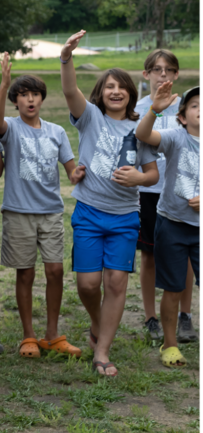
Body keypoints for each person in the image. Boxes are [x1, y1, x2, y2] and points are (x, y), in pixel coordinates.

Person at [59, 31, 159, 378]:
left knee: (116, 282)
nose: (115, 91)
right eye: (109, 86)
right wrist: (66, 58)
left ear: (131, 93)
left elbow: (153, 174)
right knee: (88, 284)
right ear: (100, 93)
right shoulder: (89, 117)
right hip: (89, 212)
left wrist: (139, 179)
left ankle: (102, 351)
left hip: (124, 217)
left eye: (122, 87)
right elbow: (69, 90)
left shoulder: (141, 128)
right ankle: (98, 322)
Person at [0, 54, 81, 359]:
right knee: (26, 274)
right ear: (15, 101)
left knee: (55, 270)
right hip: (18, 212)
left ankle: (53, 335)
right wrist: (4, 85)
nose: (30, 100)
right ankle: (28, 335)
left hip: (51, 212)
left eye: (35, 94)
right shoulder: (11, 128)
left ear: (42, 98)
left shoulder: (57, 132)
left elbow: (70, 169)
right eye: (23, 95)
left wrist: (78, 174)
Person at [135, 83, 201, 369]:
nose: (201, 109)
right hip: (172, 224)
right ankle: (170, 344)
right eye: (195, 105)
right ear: (182, 117)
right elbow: (142, 134)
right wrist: (154, 110)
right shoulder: (176, 137)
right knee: (172, 288)